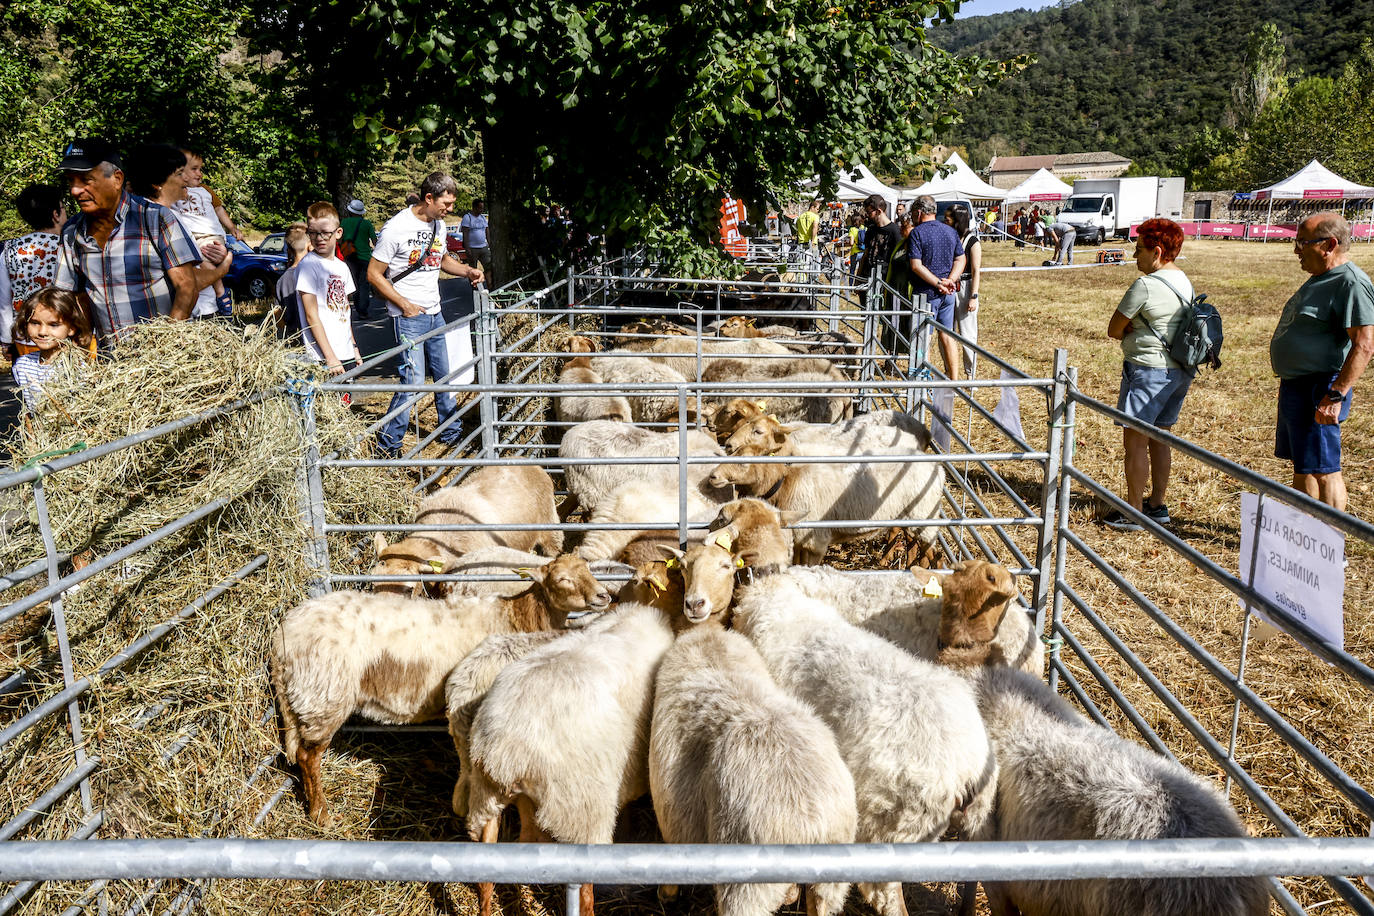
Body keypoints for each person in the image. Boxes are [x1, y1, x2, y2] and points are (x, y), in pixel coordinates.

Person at [367, 172, 485, 457]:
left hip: (435, 312)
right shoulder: (396, 228)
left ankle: (451, 432)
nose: (450, 209)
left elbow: (441, 259)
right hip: (409, 317)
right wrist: (404, 304)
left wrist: (467, 270)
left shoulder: (440, 225)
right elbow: (373, 274)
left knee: (445, 375)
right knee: (413, 382)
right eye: (446, 203)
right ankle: (389, 445)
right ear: (428, 198)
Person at [1269, 212, 1374, 512]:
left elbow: (1365, 344)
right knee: (1304, 465)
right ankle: (1307, 542)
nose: (1296, 250)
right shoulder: (1321, 278)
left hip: (1322, 388)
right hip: (1297, 386)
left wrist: (1336, 395)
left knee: (1326, 470)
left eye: (1302, 242)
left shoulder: (1350, 282)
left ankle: (1330, 548)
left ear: (1329, 245)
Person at [54, 138, 205, 344]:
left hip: (163, 359)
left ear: (117, 179)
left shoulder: (155, 219)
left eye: (85, 180)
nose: (75, 190)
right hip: (112, 364)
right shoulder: (72, 232)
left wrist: (165, 347)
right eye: (71, 181)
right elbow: (66, 296)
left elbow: (187, 287)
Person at [1102, 218, 1195, 531]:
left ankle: (1133, 511)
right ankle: (1156, 504)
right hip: (1178, 370)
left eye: (1139, 250)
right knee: (1161, 438)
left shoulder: (1145, 285)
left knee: (1136, 443)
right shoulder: (1184, 280)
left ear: (1157, 252)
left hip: (1146, 369)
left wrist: (1131, 327)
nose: (1135, 256)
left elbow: (1114, 328)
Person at [125, 144, 234, 320]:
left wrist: (218, 254)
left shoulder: (175, 214)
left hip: (204, 309)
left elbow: (195, 262)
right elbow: (188, 282)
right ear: (158, 183)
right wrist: (222, 269)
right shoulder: (155, 218)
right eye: (178, 174)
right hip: (183, 319)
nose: (186, 179)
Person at [0, 184, 67, 359]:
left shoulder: (9, 250)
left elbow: (4, 302)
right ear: (55, 214)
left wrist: (6, 340)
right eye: (63, 207)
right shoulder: (68, 247)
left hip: (26, 337)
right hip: (65, 336)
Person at [296, 202, 361, 381]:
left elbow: (345, 310)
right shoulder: (309, 266)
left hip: (344, 351)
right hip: (323, 357)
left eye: (325, 232)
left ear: (338, 233)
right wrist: (330, 357)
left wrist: (353, 347)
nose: (319, 238)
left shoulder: (342, 267)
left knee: (345, 405)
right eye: (313, 233)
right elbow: (311, 316)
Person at [906, 195, 966, 380]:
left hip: (926, 294)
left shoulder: (917, 233)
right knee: (947, 335)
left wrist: (938, 283)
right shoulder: (950, 231)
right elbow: (961, 258)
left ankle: (923, 379)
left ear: (918, 212)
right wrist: (950, 280)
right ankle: (953, 380)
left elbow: (916, 265)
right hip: (948, 294)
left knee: (924, 338)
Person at [11, 288, 94, 412]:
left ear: (71, 327)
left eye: (53, 324)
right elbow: (27, 409)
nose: (42, 332)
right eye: (35, 323)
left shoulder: (77, 368)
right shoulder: (23, 365)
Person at [946, 207, 982, 378]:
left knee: (967, 334)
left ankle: (970, 374)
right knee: (947, 331)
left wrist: (973, 296)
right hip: (950, 288)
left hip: (966, 288)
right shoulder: (952, 238)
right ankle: (950, 371)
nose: (946, 222)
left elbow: (976, 270)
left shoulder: (972, 241)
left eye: (949, 219)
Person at [340, 199, 377, 319]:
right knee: (364, 284)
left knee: (354, 284)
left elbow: (339, 239)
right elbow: (375, 241)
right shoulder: (366, 224)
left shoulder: (344, 223)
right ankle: (363, 310)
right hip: (365, 257)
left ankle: (357, 307)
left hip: (349, 257)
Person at [275, 223, 309, 338]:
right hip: (316, 339)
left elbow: (277, 316)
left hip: (294, 338)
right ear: (309, 246)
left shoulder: (282, 280)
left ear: (288, 250)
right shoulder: (314, 273)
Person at [460, 198, 492, 279]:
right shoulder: (467, 217)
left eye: (482, 208)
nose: (482, 210)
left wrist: (490, 244)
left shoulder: (482, 218)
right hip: (472, 248)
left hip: (483, 247)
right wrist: (467, 249)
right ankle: (475, 288)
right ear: (474, 207)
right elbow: (465, 234)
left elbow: (487, 231)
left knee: (489, 267)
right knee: (473, 270)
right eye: (480, 208)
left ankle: (490, 285)